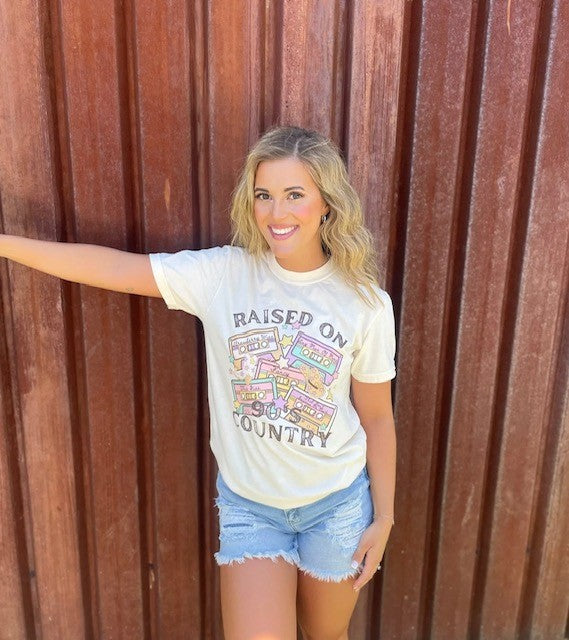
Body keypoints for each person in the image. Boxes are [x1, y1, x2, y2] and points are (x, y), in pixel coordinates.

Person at [0, 125, 397, 640]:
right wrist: (4, 244)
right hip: (252, 508)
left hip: (337, 506)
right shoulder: (224, 275)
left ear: (327, 203)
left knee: (327, 635)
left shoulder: (365, 304)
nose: (277, 213)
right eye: (264, 195)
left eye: (295, 195)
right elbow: (115, 267)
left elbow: (377, 418)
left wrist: (384, 518)